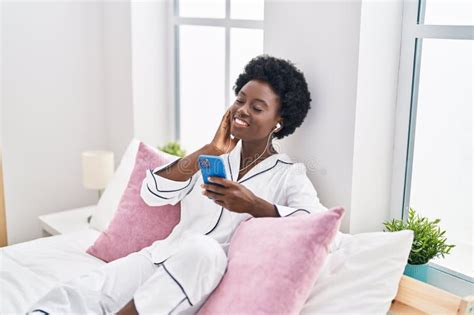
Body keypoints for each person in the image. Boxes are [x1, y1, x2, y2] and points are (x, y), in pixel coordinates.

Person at [28, 55, 328, 314]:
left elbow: (320, 227)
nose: (243, 110)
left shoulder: (289, 174)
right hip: (159, 257)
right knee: (80, 292)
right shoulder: (215, 155)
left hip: (201, 275)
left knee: (204, 249)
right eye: (240, 100)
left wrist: (254, 205)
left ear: (279, 120)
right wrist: (206, 152)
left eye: (257, 107)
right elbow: (152, 193)